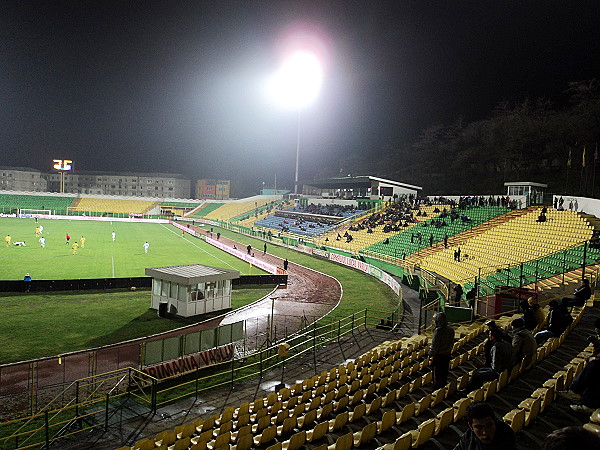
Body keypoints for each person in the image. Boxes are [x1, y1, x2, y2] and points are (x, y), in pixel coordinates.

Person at [464, 327, 514, 392]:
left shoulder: (496, 347)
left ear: (493, 336)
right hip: (507, 367)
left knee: (477, 375)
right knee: (481, 370)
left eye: (490, 334)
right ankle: (476, 388)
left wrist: (484, 365)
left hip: (499, 371)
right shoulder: (506, 343)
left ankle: (468, 390)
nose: (489, 336)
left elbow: (495, 367)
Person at [429, 312, 455, 388]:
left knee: (437, 374)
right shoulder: (451, 330)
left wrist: (430, 354)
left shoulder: (438, 332)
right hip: (447, 354)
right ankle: (442, 388)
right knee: (444, 372)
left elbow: (435, 346)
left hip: (439, 356)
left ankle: (436, 389)